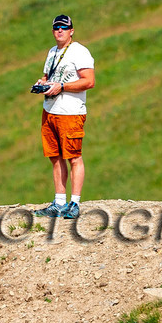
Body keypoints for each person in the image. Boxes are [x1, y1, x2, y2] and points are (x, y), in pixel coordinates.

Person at [32, 14, 95, 220]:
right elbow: (49, 76)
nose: (60, 30)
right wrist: (42, 83)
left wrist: (62, 87)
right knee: (55, 157)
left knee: (74, 157)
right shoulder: (52, 52)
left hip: (70, 112)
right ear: (52, 31)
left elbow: (89, 81)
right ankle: (59, 202)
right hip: (50, 110)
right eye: (56, 27)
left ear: (71, 31)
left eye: (64, 27)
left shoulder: (80, 52)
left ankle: (74, 203)